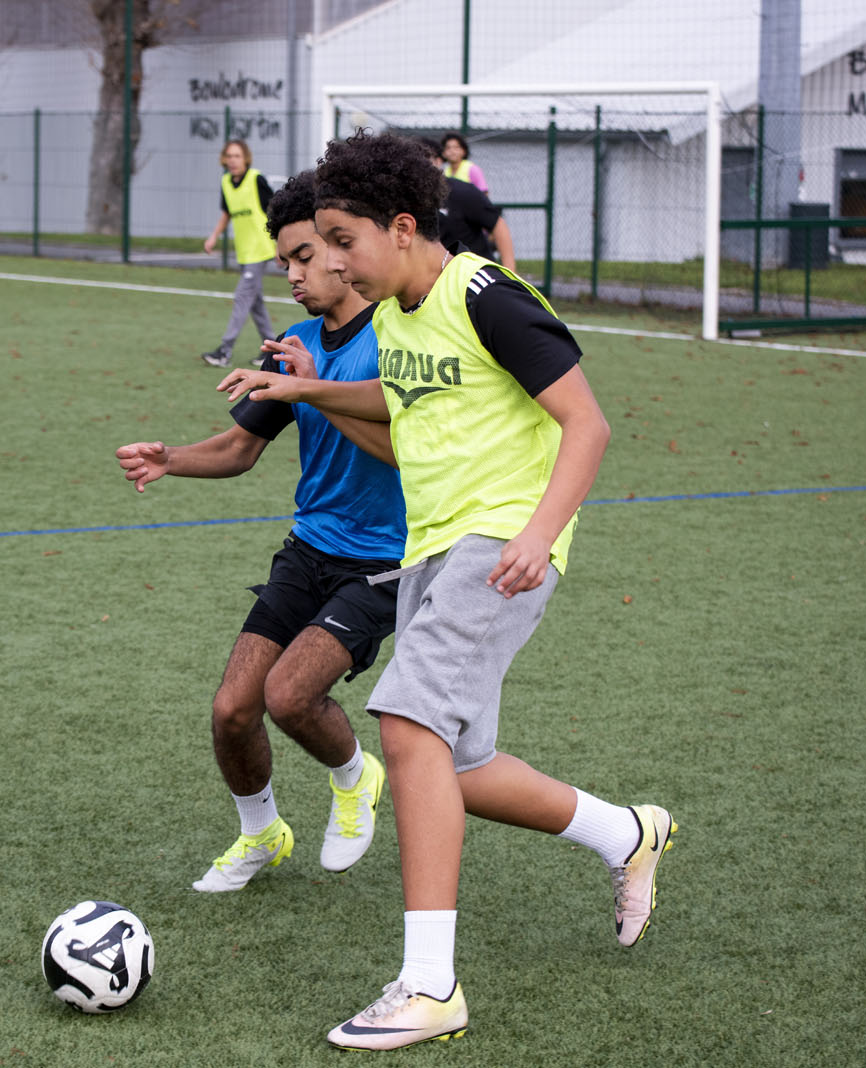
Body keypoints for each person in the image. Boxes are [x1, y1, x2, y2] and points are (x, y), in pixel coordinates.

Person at [219, 131, 674, 1052]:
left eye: (342, 242)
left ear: (400, 226)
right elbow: (396, 410)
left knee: (405, 723)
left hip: (500, 542)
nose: (332, 263)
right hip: (429, 549)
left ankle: (431, 986)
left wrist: (539, 534)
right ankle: (627, 833)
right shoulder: (395, 316)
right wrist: (305, 391)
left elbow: (586, 423)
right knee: (458, 770)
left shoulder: (484, 295)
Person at [117, 171, 404, 892]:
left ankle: (355, 776)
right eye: (285, 263)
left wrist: (313, 389)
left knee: (290, 696)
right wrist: (171, 459)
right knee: (233, 709)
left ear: (343, 247)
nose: (295, 275)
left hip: (384, 561)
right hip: (309, 550)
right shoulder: (293, 343)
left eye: (306, 256)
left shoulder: (397, 334)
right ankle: (262, 834)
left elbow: (406, 451)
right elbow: (240, 448)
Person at [201, 140, 277, 368]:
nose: (233, 160)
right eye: (229, 156)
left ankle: (224, 351)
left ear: (246, 158)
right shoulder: (226, 182)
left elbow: (275, 210)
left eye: (237, 156)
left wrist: (280, 244)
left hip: (260, 249)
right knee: (255, 303)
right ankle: (272, 349)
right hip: (244, 252)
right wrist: (213, 237)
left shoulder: (256, 179)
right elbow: (227, 213)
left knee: (242, 297)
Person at [419, 137, 515, 269]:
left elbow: (497, 224)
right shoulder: (407, 199)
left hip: (472, 271)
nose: (419, 165)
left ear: (438, 161)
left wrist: (510, 272)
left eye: (425, 158)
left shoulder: (463, 189)